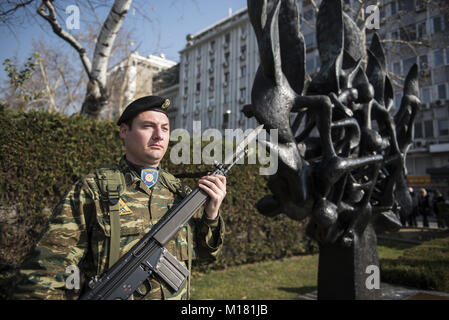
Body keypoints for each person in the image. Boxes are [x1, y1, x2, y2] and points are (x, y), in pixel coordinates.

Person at [13, 96, 226, 300]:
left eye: (165, 128)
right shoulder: (94, 189)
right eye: (148, 126)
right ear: (124, 131)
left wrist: (211, 213)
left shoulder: (179, 192)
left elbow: (208, 253)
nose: (159, 136)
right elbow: (49, 267)